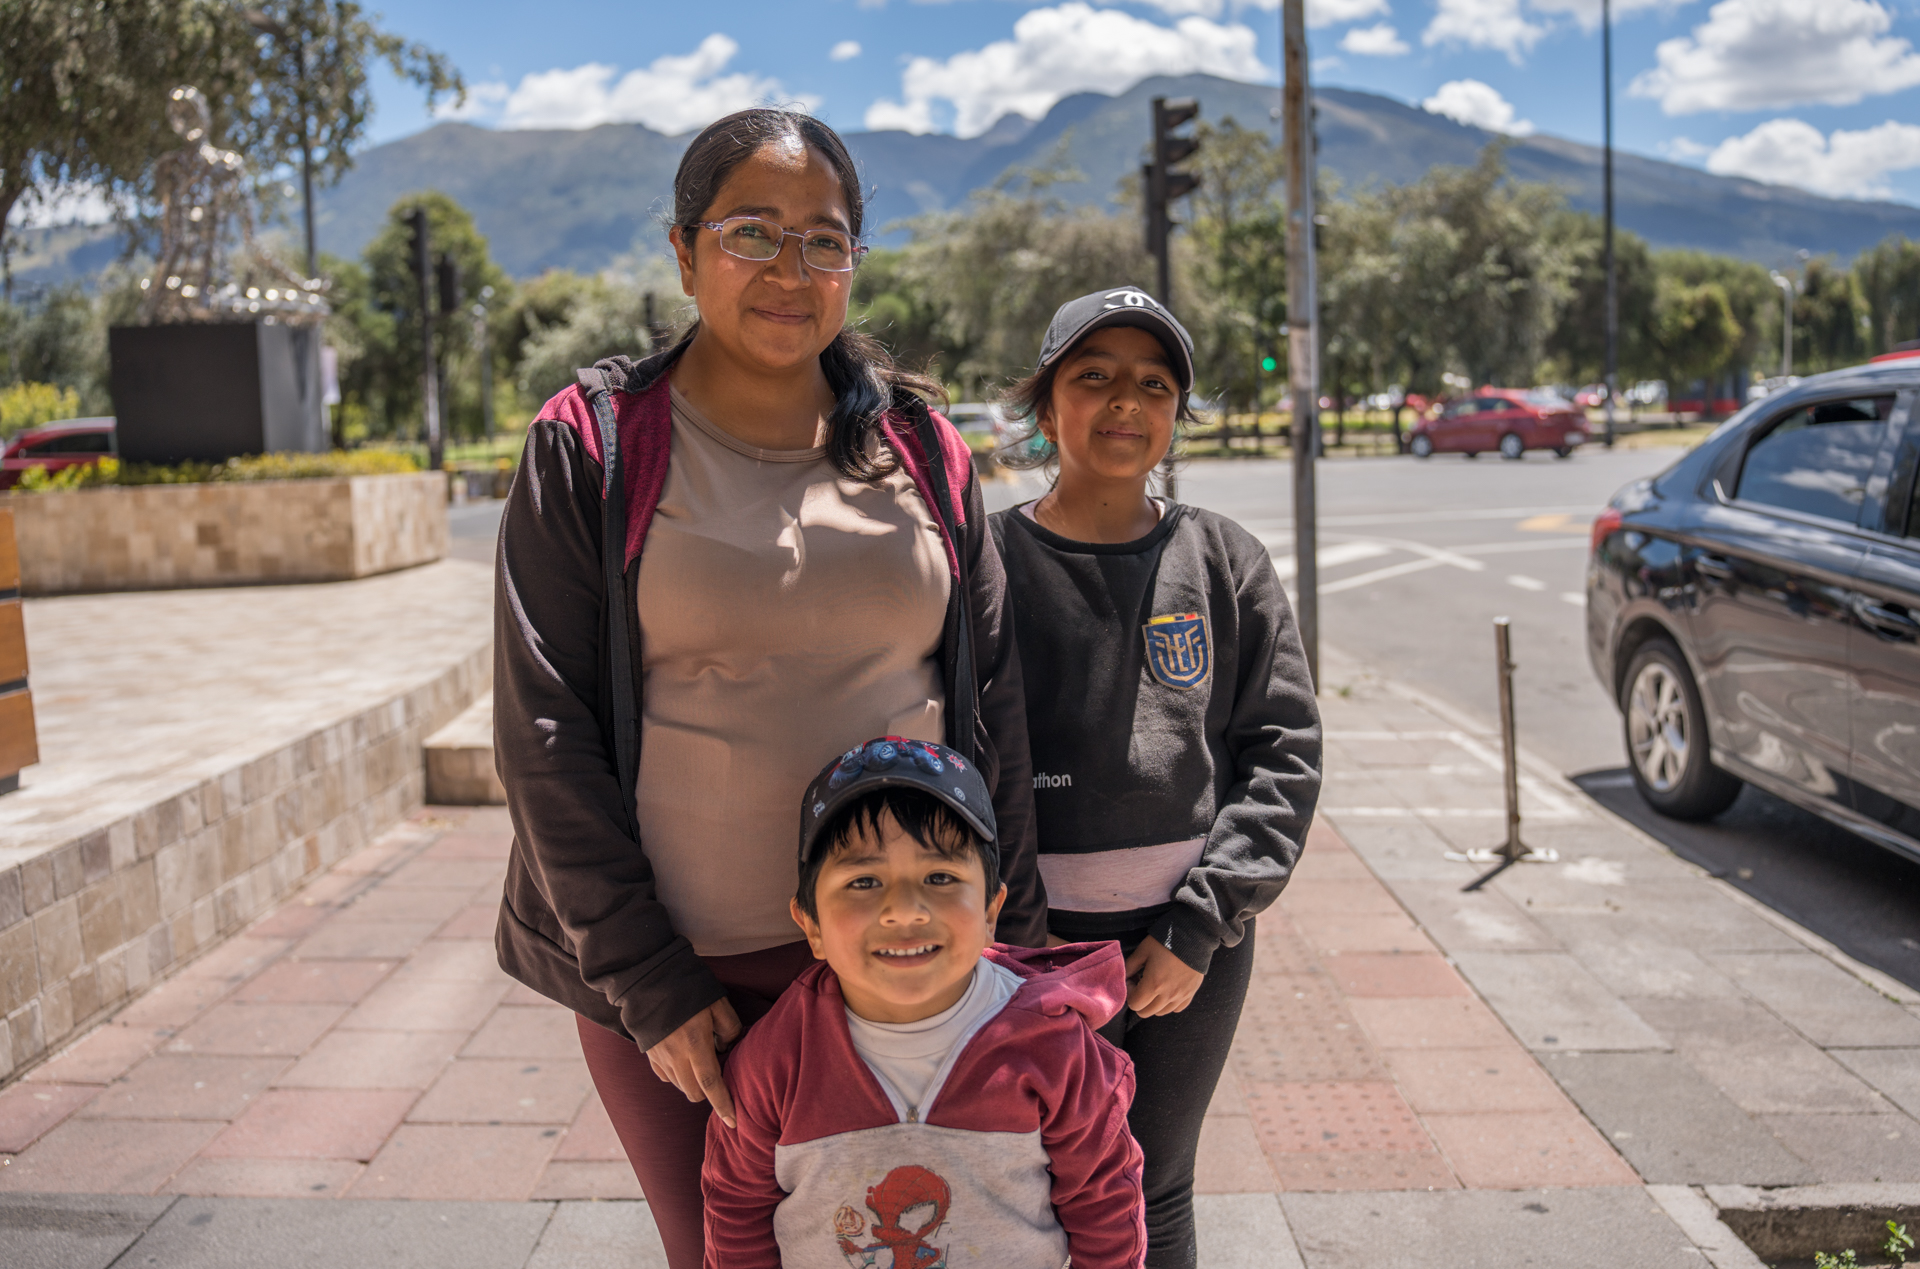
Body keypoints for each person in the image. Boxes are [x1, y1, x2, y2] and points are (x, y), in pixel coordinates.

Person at [489, 109, 1045, 1269]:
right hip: (685, 988)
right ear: (685, 253)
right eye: (753, 233)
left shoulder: (924, 447)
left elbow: (993, 712)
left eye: (825, 240)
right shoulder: (593, 444)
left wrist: (1018, 964)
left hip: (906, 970)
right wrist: (651, 986)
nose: (792, 271)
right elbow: (545, 733)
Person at [987, 287, 1322, 1269]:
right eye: (1093, 378)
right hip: (1031, 950)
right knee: (1032, 1178)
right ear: (1046, 409)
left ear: (1177, 413)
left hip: (1189, 947)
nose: (1125, 402)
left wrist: (1200, 925)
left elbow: (1284, 748)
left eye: (1153, 383)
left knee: (1150, 1182)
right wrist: (1019, 943)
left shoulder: (1222, 559)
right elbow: (965, 753)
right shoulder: (989, 563)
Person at [703, 736, 1146, 1269]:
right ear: (811, 926)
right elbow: (736, 1211)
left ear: (990, 910)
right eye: (864, 881)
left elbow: (1105, 1207)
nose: (904, 909)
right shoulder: (777, 1058)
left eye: (940, 877)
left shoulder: (1054, 1045)